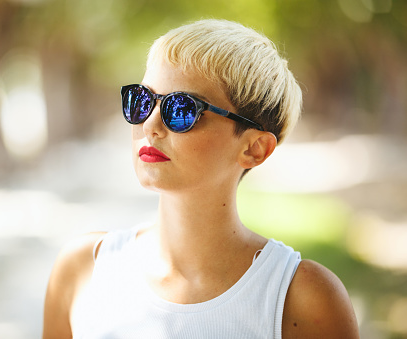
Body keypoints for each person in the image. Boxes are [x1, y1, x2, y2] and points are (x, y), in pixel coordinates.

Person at [43, 19, 360, 338]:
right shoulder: (83, 269)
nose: (150, 125)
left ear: (254, 149)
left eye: (181, 109)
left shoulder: (303, 299)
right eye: (142, 101)